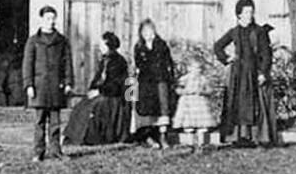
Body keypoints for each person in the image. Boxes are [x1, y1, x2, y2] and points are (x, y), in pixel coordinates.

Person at [213, 0, 281, 147]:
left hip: (254, 73)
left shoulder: (259, 31)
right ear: (239, 15)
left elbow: (266, 54)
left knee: (256, 105)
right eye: (246, 12)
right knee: (237, 105)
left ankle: (257, 137)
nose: (250, 15)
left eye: (251, 11)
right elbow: (218, 46)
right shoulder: (234, 32)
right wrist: (227, 58)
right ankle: (238, 138)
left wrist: (263, 73)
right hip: (238, 74)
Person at [22, 5, 74, 161]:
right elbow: (27, 65)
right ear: (42, 20)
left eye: (53, 18)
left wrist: (68, 82)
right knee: (39, 122)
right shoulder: (33, 41)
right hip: (39, 88)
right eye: (48, 18)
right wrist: (29, 85)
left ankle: (56, 151)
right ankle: (38, 152)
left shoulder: (62, 41)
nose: (51, 22)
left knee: (55, 122)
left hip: (56, 87)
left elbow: (67, 64)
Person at [64, 31, 131, 146]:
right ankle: (72, 137)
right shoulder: (104, 60)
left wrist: (99, 91)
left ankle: (89, 138)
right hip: (103, 93)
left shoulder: (119, 61)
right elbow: (97, 79)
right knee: (80, 106)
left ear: (108, 45)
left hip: (114, 97)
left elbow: (116, 85)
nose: (99, 47)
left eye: (102, 44)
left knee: (94, 108)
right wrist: (92, 89)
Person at [132, 19, 175, 148]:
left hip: (160, 79)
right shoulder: (139, 47)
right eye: (144, 31)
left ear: (154, 31)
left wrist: (169, 78)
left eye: (150, 30)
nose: (147, 34)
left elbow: (168, 63)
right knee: (148, 109)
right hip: (146, 82)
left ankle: (163, 137)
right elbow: (138, 64)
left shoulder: (161, 45)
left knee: (163, 108)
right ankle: (149, 137)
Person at [173, 64, 219, 153]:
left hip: (200, 103)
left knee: (202, 126)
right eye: (194, 68)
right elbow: (178, 89)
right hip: (187, 104)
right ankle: (190, 145)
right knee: (188, 125)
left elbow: (210, 90)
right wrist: (184, 92)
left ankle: (202, 144)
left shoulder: (203, 79)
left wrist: (202, 92)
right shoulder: (184, 79)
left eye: (199, 68)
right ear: (189, 69)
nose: (197, 71)